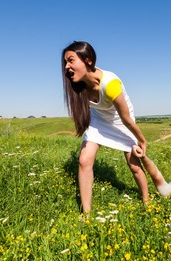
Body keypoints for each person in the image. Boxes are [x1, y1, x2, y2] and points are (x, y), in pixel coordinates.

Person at [62, 41, 149, 213]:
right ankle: (86, 214)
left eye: (71, 60)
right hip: (99, 118)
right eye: (65, 62)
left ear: (88, 60)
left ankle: (147, 201)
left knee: (133, 164)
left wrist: (142, 140)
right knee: (84, 160)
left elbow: (126, 119)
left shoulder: (110, 85)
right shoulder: (78, 85)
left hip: (120, 119)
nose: (67, 66)